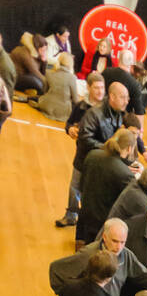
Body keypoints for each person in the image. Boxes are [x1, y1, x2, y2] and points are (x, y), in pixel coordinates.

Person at [49, 218, 147, 296]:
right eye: (115, 241)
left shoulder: (126, 255)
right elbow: (56, 270)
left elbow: (144, 274)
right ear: (104, 237)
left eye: (122, 242)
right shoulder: (89, 254)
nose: (118, 247)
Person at [55, 71, 107, 228]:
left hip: (99, 157)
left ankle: (86, 221)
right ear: (89, 88)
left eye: (102, 88)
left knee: (90, 192)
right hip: (82, 154)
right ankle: (71, 215)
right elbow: (69, 123)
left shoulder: (107, 110)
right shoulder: (81, 106)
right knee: (74, 188)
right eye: (96, 88)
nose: (100, 91)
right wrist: (70, 129)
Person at [77, 128, 139, 246]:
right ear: (130, 148)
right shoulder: (125, 174)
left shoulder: (92, 154)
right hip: (103, 225)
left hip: (85, 216)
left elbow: (82, 183)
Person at [102, 50, 147, 120]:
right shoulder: (135, 84)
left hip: (103, 114)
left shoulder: (106, 72)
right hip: (121, 120)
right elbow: (139, 111)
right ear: (131, 63)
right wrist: (140, 129)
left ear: (119, 59)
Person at [36, 52, 78, 123]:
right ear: (71, 64)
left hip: (46, 106)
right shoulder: (72, 78)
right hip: (62, 112)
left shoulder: (49, 72)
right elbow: (75, 100)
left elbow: (44, 91)